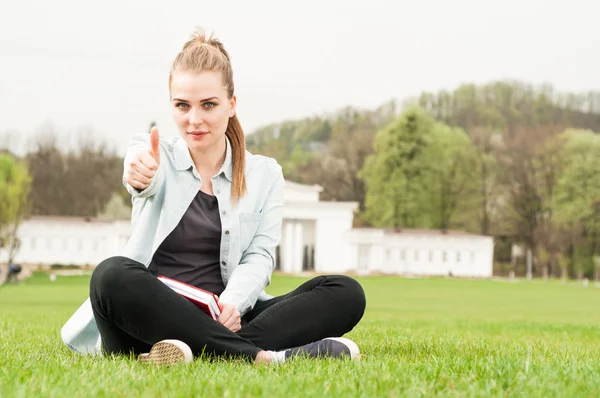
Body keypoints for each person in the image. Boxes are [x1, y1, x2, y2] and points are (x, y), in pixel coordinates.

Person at [61, 29, 366, 365]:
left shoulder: (265, 174)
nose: (194, 119)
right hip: (147, 319)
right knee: (111, 275)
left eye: (208, 104)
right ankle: (262, 358)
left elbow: (260, 256)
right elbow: (139, 170)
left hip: (226, 316)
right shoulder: (156, 154)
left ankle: (186, 352)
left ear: (231, 105)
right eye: (182, 105)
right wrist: (139, 174)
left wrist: (233, 303)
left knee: (346, 293)